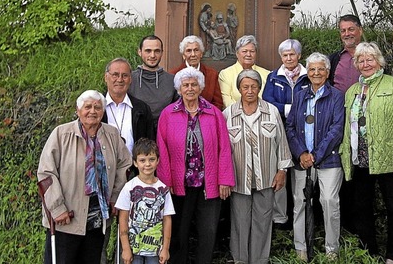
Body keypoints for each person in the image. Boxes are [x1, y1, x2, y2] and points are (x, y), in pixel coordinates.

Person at [339, 42, 393, 264]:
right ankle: (370, 252)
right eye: (361, 60)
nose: (366, 64)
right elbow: (347, 127)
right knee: (362, 207)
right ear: (356, 64)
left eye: (370, 59)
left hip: (389, 158)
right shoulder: (352, 91)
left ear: (379, 61)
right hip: (361, 160)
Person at [38, 90, 132, 264]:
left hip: (98, 217)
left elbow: (124, 165)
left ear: (103, 112)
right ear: (78, 110)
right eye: (87, 107)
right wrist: (57, 208)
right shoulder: (61, 134)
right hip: (66, 218)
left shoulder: (112, 134)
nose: (93, 111)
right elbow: (46, 173)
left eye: (97, 107)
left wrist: (115, 197)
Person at [156, 67, 235, 264]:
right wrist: (166, 181)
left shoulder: (214, 113)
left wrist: (224, 179)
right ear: (179, 89)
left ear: (201, 88)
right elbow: (162, 149)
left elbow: (224, 147)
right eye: (185, 85)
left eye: (194, 85)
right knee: (178, 232)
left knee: (208, 232)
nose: (190, 88)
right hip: (178, 184)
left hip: (208, 183)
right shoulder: (168, 114)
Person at [223, 69, 293, 264]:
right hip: (239, 179)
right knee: (240, 222)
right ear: (239, 89)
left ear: (260, 88)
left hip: (267, 177)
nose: (250, 91)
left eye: (254, 86)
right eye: (245, 87)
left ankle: (260, 260)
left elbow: (282, 143)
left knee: (263, 221)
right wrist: (224, 177)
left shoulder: (271, 111)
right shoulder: (228, 114)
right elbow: (222, 149)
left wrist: (282, 170)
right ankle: (240, 260)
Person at [286, 53, 344, 262]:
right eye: (312, 69)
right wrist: (301, 153)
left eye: (321, 69)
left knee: (329, 201)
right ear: (307, 73)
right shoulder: (299, 95)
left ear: (327, 73)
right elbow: (290, 126)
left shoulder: (336, 96)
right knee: (300, 201)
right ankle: (301, 248)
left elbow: (337, 129)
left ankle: (331, 249)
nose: (316, 73)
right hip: (302, 160)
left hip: (328, 159)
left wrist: (316, 155)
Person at [101, 58, 155, 264]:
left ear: (130, 79)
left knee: (131, 236)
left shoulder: (141, 108)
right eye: (115, 75)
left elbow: (149, 144)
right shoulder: (96, 107)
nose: (119, 79)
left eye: (124, 75)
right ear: (106, 77)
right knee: (101, 235)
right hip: (101, 179)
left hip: (133, 178)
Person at [262, 39, 311, 229]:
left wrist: (295, 111)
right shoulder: (274, 77)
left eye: (292, 54)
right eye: (285, 55)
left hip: (303, 133)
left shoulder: (309, 75)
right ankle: (280, 219)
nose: (289, 58)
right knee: (280, 173)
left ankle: (302, 219)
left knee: (300, 177)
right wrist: (292, 109)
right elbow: (269, 102)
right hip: (280, 131)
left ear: (299, 56)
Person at [328, 14, 363, 233]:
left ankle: (358, 224)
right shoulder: (334, 59)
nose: (347, 34)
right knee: (340, 170)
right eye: (343, 30)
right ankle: (339, 224)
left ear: (359, 29)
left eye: (351, 29)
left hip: (363, 122)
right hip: (338, 121)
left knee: (359, 174)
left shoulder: (368, 56)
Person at [115, 138, 175, 264]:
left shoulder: (163, 189)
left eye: (151, 160)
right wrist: (125, 248)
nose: (147, 164)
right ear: (135, 163)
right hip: (133, 248)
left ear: (158, 160)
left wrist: (165, 248)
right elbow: (123, 218)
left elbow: (167, 220)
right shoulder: (129, 187)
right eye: (142, 160)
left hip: (155, 250)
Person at [130, 35, 178, 131]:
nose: (152, 55)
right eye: (148, 51)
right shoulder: (129, 80)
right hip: (135, 135)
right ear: (139, 52)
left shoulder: (173, 81)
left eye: (157, 51)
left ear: (162, 53)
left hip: (164, 133)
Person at [169, 35, 223, 109]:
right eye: (189, 51)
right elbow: (171, 103)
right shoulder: (173, 74)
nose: (193, 54)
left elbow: (218, 103)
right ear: (183, 55)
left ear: (201, 54)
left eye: (196, 50)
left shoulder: (212, 74)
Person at [218, 35, 270, 108]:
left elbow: (269, 100)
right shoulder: (226, 74)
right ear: (237, 53)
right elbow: (226, 100)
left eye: (252, 51)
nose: (248, 54)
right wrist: (244, 113)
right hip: (235, 115)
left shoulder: (267, 74)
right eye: (244, 51)